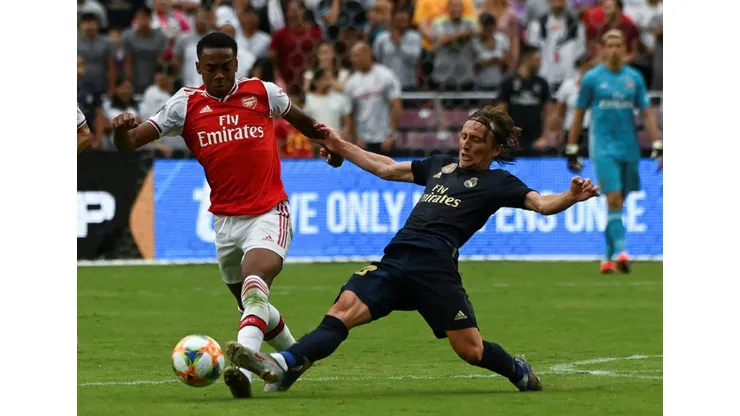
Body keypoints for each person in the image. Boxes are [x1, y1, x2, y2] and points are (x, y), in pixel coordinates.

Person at [224, 105, 601, 393]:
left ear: (495, 149)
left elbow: (541, 204)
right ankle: (281, 363)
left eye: (476, 140)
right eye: (464, 136)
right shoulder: (440, 166)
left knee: (471, 351)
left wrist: (570, 196)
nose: (466, 144)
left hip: (436, 271)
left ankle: (517, 371)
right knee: (341, 313)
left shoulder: (499, 182)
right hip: (395, 260)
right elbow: (386, 168)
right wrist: (339, 144)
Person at [109, 32, 343, 399]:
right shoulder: (185, 104)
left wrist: (333, 147)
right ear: (198, 68)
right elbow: (130, 142)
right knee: (252, 304)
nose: (219, 74)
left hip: (269, 211)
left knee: (255, 283)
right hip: (225, 223)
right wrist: (121, 132)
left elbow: (309, 125)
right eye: (211, 68)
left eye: (226, 67)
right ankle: (295, 360)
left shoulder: (263, 93)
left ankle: (243, 372)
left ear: (237, 64)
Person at [564, 29, 662, 275]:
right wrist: (572, 147)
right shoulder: (592, 78)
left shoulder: (634, 78)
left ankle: (606, 259)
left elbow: (646, 113)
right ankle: (623, 253)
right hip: (603, 147)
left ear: (625, 48)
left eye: (619, 45)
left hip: (629, 147)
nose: (615, 49)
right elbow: (579, 113)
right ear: (603, 49)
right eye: (610, 45)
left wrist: (659, 143)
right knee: (614, 198)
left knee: (618, 205)